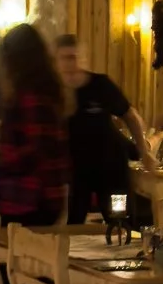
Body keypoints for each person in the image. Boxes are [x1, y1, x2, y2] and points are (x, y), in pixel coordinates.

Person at [55, 33, 150, 223]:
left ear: (82, 58)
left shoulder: (100, 85)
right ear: (56, 60)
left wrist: (144, 151)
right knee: (72, 224)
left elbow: (130, 116)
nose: (69, 63)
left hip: (111, 167)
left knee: (121, 221)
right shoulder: (54, 92)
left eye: (73, 57)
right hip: (76, 171)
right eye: (64, 58)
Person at [0, 23, 68, 227]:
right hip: (36, 198)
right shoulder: (43, 94)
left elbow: (38, 149)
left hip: (28, 199)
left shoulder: (31, 97)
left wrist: (2, 160)